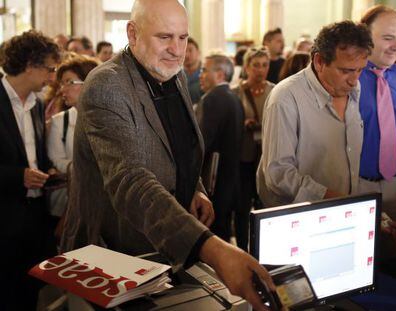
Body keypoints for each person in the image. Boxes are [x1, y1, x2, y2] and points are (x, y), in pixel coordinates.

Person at [61, 0, 274, 309]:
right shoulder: (107, 85)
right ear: (132, 33)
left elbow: (179, 144)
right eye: (164, 37)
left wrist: (193, 187)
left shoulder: (170, 74)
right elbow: (130, 180)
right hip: (114, 253)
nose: (177, 49)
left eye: (183, 37)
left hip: (163, 249)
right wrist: (213, 247)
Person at [257, 21, 373, 207]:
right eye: (347, 71)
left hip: (345, 212)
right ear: (319, 61)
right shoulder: (286, 97)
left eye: (360, 70)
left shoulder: (354, 89)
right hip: (298, 220)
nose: (354, 79)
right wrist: (332, 198)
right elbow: (278, 174)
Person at [0, 30, 60, 310]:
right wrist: (18, 176)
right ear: (29, 65)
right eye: (49, 69)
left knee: (30, 296)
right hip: (4, 220)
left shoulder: (37, 105)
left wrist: (49, 172)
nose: (52, 77)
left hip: (34, 220)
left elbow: (34, 157)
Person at [358, 6, 396, 230]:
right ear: (364, 36)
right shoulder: (346, 79)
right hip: (353, 186)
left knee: (395, 256)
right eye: (388, 38)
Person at [198, 53, 244, 242]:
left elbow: (202, 143)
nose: (201, 75)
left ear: (219, 74)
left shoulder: (212, 98)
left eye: (204, 70)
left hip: (214, 180)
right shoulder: (234, 97)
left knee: (213, 235)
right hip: (231, 178)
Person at [232, 46, 274, 251]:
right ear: (247, 67)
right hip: (243, 157)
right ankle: (241, 249)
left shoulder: (275, 91)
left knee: (264, 206)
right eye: (256, 65)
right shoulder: (236, 92)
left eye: (265, 65)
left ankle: (262, 251)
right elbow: (229, 124)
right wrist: (242, 123)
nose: (260, 70)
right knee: (241, 208)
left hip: (266, 158)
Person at [47, 56, 98, 219]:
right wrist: (90, 168)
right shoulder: (60, 121)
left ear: (89, 81)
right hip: (68, 202)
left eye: (69, 82)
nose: (62, 89)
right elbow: (56, 159)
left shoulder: (109, 118)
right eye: (61, 83)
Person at [184, 37, 203, 105]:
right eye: (184, 51)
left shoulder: (206, 73)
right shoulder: (176, 76)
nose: (186, 55)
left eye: (190, 50)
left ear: (198, 52)